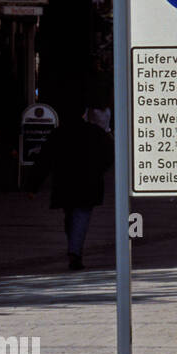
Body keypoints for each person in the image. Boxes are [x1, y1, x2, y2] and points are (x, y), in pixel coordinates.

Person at [28, 104, 114, 270]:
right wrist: (99, 171)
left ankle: (74, 248)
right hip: (89, 183)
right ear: (83, 114)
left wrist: (33, 186)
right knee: (82, 216)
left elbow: (44, 161)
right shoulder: (96, 133)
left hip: (65, 184)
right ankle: (75, 252)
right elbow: (109, 154)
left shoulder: (57, 134)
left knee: (70, 216)